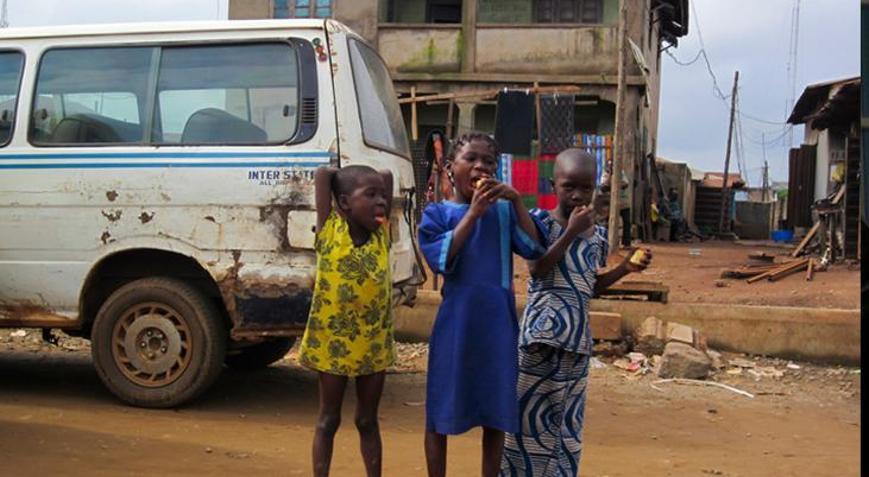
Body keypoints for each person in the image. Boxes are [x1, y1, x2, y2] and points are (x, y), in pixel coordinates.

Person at [501, 149, 651, 477]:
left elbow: (589, 286)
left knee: (565, 427)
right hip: (541, 338)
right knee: (527, 422)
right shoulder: (539, 222)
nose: (578, 195)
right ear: (553, 185)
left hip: (577, 341)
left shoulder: (596, 235)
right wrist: (569, 232)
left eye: (586, 188)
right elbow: (539, 270)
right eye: (569, 187)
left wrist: (625, 268)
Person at [418, 132, 546, 477]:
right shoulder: (437, 214)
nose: (480, 167)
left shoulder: (505, 213)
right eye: (471, 159)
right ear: (449, 168)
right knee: (440, 411)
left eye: (488, 162)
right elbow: (440, 260)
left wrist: (517, 201)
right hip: (456, 324)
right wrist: (473, 214)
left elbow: (534, 250)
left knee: (495, 413)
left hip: (497, 326)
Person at [298, 164, 395, 477]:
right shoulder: (329, 232)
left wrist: (376, 183)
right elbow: (322, 175)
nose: (381, 201)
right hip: (333, 345)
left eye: (383, 196)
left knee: (367, 420)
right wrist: (338, 174)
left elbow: (388, 176)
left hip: (373, 345)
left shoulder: (382, 234)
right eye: (370, 195)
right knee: (329, 420)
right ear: (343, 203)